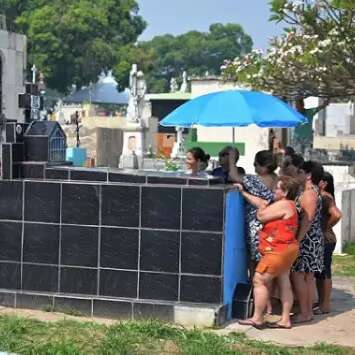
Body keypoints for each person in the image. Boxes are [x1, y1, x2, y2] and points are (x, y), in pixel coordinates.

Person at [236, 176, 300, 329]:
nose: (274, 190)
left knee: (259, 280)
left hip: (276, 251)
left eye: (277, 188)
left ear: (285, 192)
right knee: (284, 282)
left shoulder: (283, 204)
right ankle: (285, 319)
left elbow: (261, 215)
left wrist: (262, 208)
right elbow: (261, 203)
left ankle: (257, 318)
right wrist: (244, 193)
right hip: (288, 249)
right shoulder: (288, 204)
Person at [291, 160, 324, 324]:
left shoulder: (309, 193)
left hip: (307, 240)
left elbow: (307, 220)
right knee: (308, 277)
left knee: (299, 276)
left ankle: (305, 312)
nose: (298, 175)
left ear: (308, 175)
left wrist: (297, 241)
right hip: (311, 239)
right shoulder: (311, 190)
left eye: (301, 172)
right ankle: (307, 310)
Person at [315, 172, 342, 314]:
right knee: (321, 272)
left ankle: (325, 304)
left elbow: (337, 214)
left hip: (327, 239)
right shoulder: (325, 196)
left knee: (324, 272)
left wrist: (325, 227)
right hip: (327, 239)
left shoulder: (325, 197)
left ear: (324, 183)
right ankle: (321, 303)